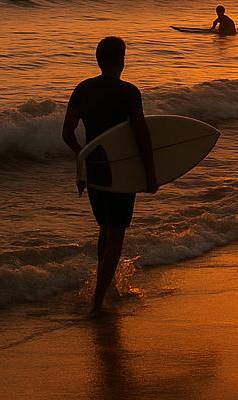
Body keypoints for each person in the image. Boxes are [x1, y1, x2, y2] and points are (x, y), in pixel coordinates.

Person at [61, 37, 158, 313]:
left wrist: (83, 155)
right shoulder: (129, 92)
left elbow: (67, 134)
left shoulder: (83, 89)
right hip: (121, 170)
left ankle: (107, 286)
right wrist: (150, 175)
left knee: (105, 228)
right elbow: (141, 134)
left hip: (95, 170)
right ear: (121, 60)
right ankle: (98, 301)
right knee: (116, 236)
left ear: (98, 59)